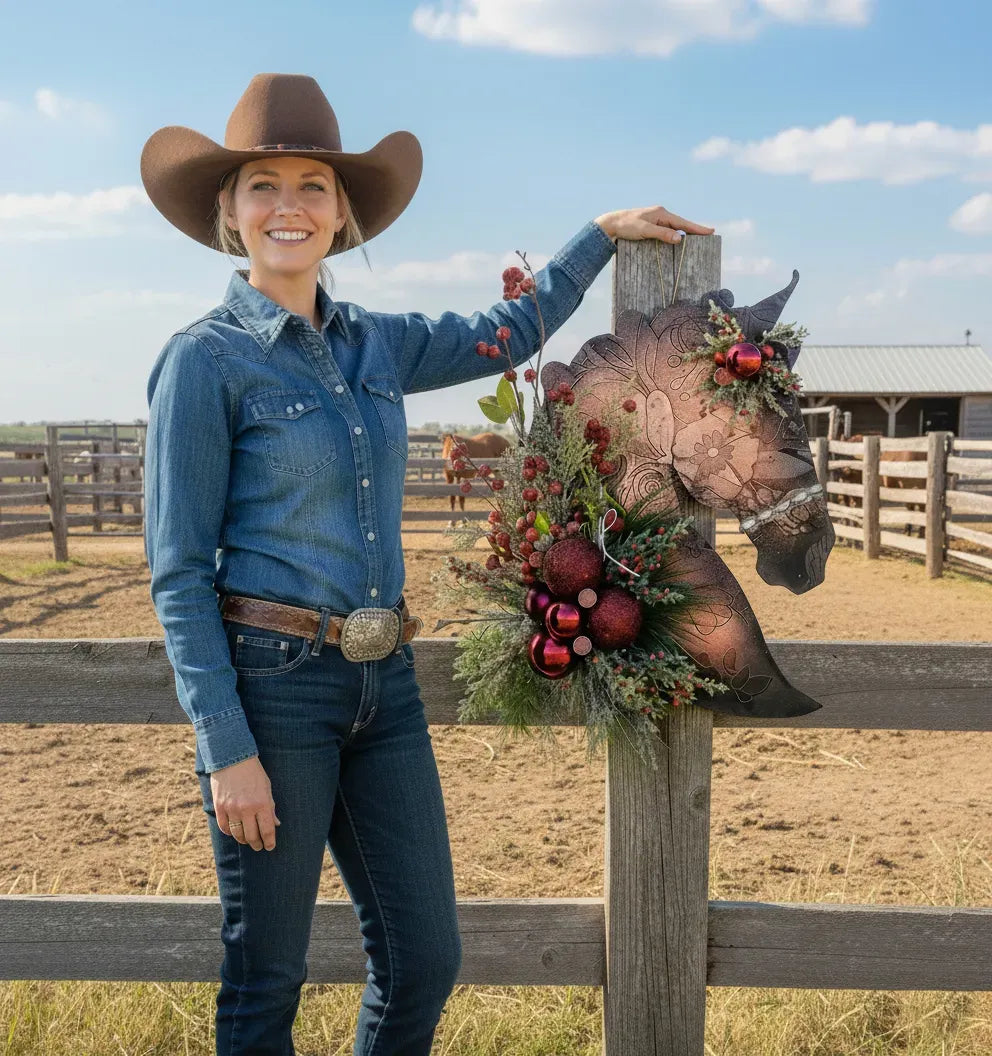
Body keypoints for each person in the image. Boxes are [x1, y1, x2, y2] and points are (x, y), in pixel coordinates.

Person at [139, 72, 715, 1056]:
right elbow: (179, 572)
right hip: (273, 695)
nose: (289, 206)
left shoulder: (378, 345)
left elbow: (507, 334)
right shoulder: (205, 361)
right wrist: (223, 744)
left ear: (342, 212)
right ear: (230, 214)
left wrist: (597, 236)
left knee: (423, 957)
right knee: (264, 980)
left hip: (384, 691)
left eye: (312, 185)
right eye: (263, 186)